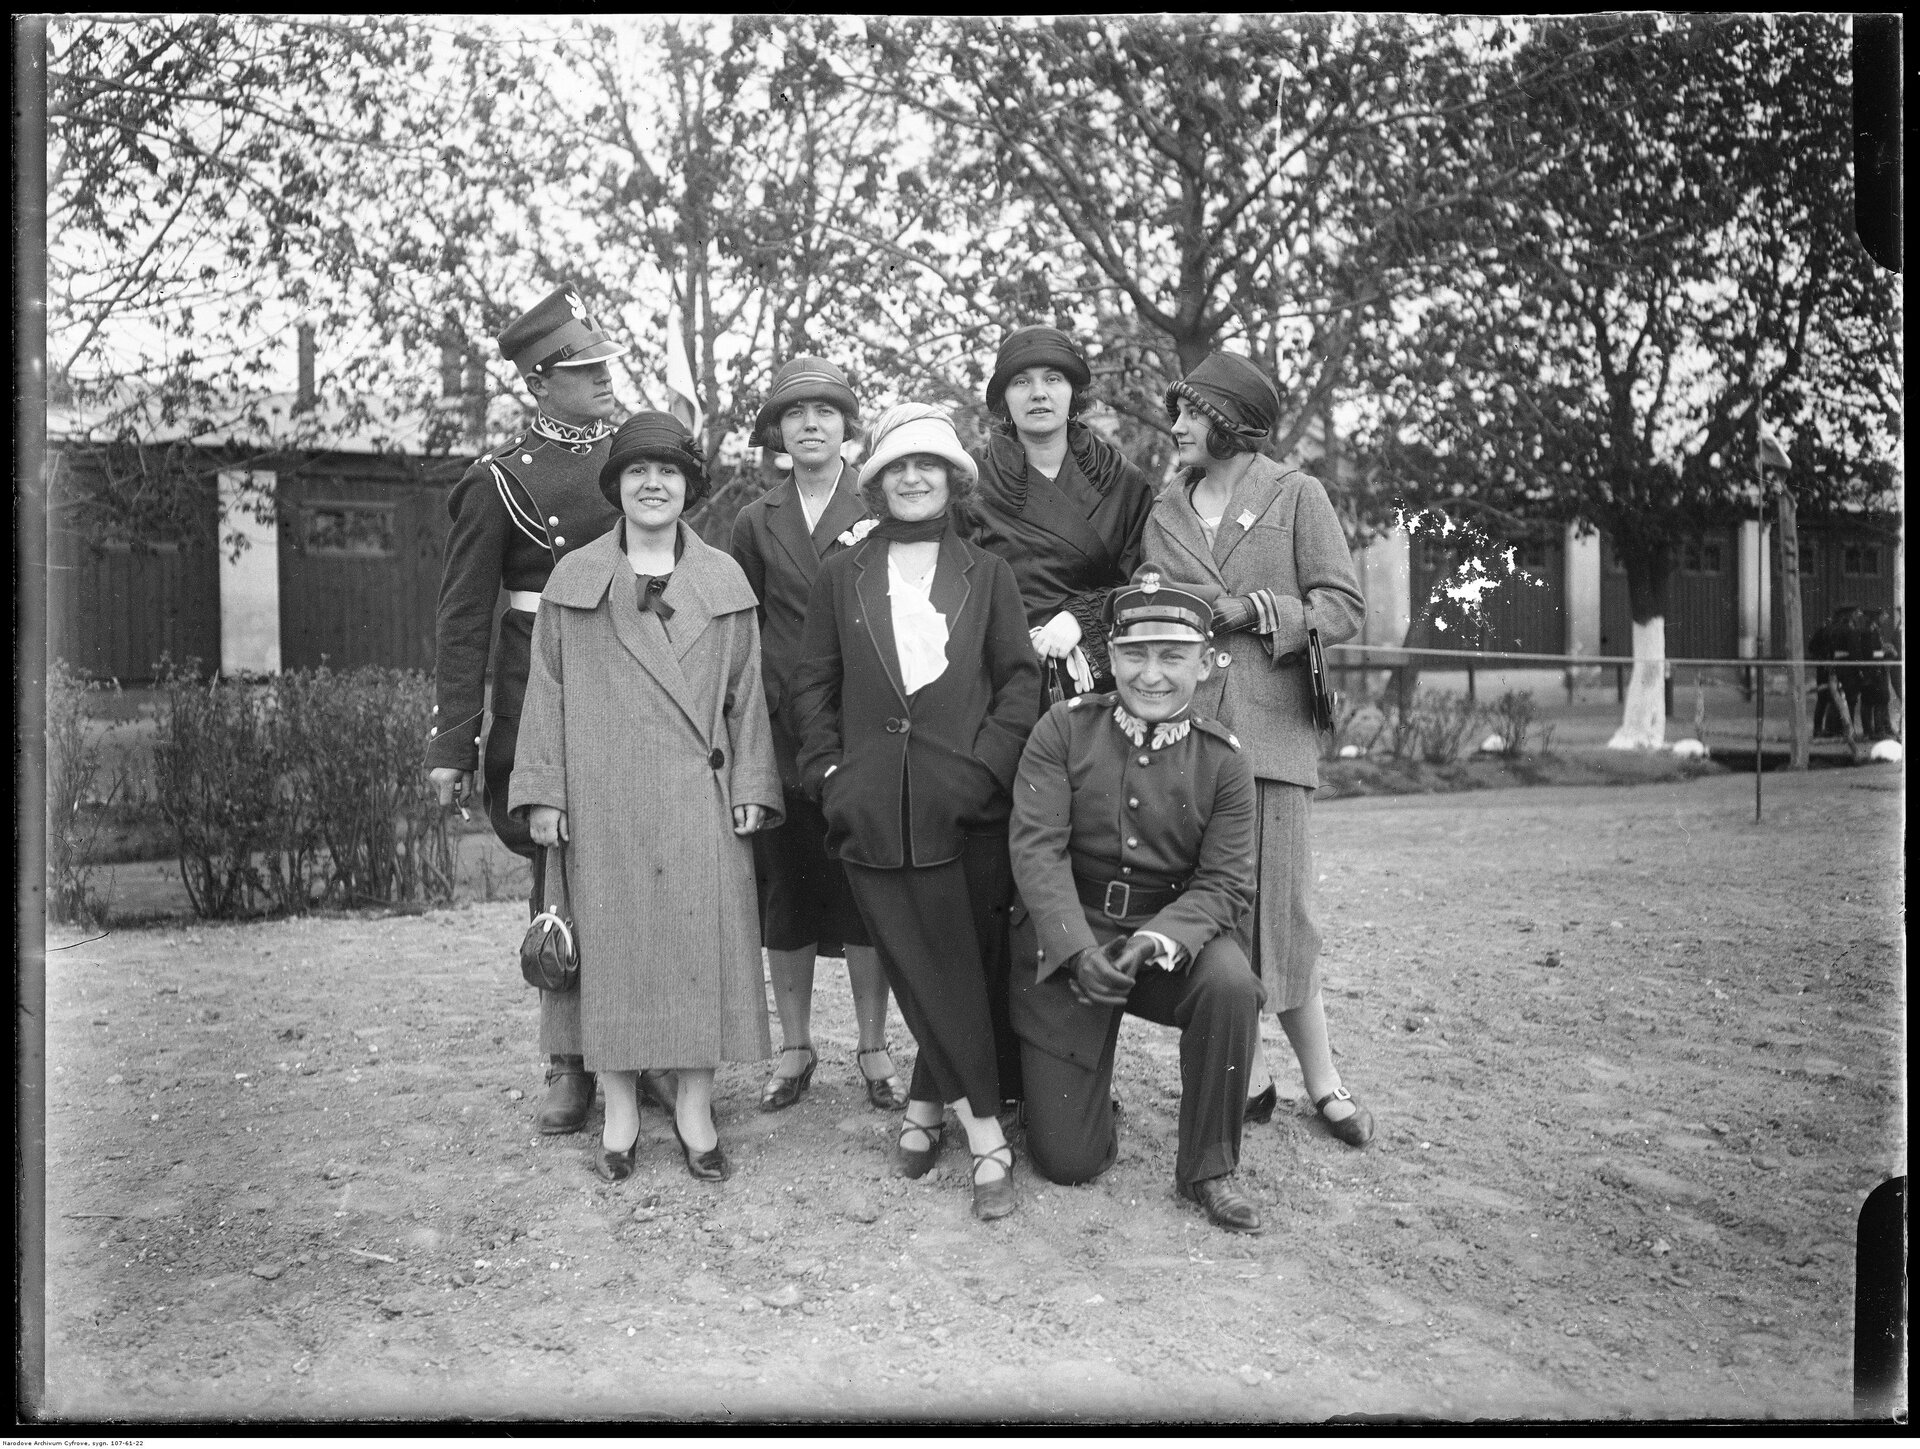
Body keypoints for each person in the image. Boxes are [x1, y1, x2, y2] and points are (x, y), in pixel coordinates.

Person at [424, 284, 673, 1134]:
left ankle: (645, 1045)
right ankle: (567, 1058)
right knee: (554, 866)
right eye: (584, 367)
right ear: (539, 380)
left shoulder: (643, 464)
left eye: (607, 362)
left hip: (643, 681)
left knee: (646, 859)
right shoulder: (499, 484)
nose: (607, 376)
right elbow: (462, 619)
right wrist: (452, 742)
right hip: (544, 692)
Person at [510, 412, 782, 1183]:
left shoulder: (725, 582)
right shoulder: (574, 581)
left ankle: (695, 1105)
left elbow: (747, 696)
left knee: (700, 947)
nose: (653, 484)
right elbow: (546, 694)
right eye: (637, 472)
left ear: (690, 487)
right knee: (616, 949)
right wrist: (543, 791)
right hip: (603, 800)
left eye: (668, 471)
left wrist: (753, 784)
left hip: (700, 797)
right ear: (617, 487)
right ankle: (622, 1108)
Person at [788, 403, 1042, 1221]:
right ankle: (985, 1134)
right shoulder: (842, 575)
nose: (913, 477)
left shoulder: (989, 573)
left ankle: (937, 1112)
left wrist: (983, 771)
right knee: (911, 959)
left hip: (962, 805)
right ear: (878, 482)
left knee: (955, 963)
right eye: (897, 467)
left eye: (928, 465)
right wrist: (831, 773)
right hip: (868, 805)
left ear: (953, 478)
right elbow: (811, 686)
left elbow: (1018, 683)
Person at [1142, 352, 1375, 1148]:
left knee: (1285, 915)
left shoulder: (1296, 494)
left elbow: (1341, 608)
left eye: (1192, 414)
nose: (1176, 427)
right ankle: (1245, 1078)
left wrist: (1254, 610)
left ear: (1232, 422)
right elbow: (1156, 604)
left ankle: (1325, 1082)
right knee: (1212, 918)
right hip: (1187, 741)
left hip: (1273, 741)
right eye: (1177, 412)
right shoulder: (1165, 508)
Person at [1008, 567, 1268, 1233]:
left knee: (1232, 982)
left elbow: (1226, 884)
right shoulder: (1063, 731)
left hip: (1164, 944)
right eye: (1133, 655)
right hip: (1074, 935)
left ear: (1206, 665)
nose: (1151, 674)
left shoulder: (1225, 762)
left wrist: (1156, 941)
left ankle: (1208, 1165)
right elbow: (1038, 851)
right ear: (1109, 657)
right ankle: (1087, 1105)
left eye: (1172, 657)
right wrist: (1073, 949)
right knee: (1067, 1159)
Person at [730, 356, 906, 1113]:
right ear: (778, 430)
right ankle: (795, 1047)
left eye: (826, 412)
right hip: (780, 736)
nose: (810, 425)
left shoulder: (880, 509)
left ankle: (873, 1046)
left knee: (866, 893)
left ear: (847, 428)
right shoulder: (754, 519)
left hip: (860, 730)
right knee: (790, 897)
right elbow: (743, 626)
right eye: (795, 414)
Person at [968, 325, 1157, 704]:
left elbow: (1146, 582)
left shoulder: (1123, 480)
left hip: (1100, 680)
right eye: (1021, 382)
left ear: (1074, 392)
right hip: (999, 682)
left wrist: (1080, 620)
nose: (1038, 392)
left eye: (1053, 378)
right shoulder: (972, 481)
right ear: (1004, 398)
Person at [1807, 605, 1855, 739]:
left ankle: (1830, 729)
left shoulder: (1831, 628)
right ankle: (1820, 730)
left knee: (1830, 699)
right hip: (1826, 668)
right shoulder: (1828, 629)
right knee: (1823, 699)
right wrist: (1824, 657)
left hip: (1832, 667)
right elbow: (1813, 647)